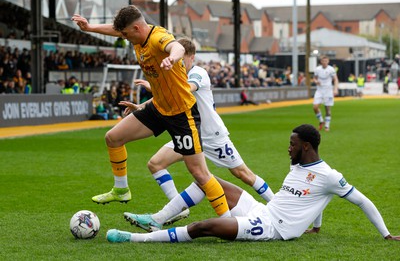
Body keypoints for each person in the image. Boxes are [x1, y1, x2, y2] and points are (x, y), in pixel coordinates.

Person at [106, 124, 400, 243]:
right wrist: (317, 225)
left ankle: (134, 239)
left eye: (292, 144)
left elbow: (362, 201)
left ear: (307, 146)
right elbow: (313, 199)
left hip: (272, 229)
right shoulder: (298, 165)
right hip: (261, 209)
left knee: (202, 228)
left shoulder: (330, 176)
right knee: (208, 180)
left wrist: (387, 235)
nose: (288, 148)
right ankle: (158, 220)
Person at [71, 5, 231, 218]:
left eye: (127, 34)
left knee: (199, 173)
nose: (125, 38)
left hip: (182, 113)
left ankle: (227, 220)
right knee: (113, 137)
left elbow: (177, 47)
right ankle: (121, 190)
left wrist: (172, 58)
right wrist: (89, 27)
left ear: (137, 28)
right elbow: (116, 29)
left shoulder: (158, 38)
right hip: (159, 108)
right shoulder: (136, 35)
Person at [119, 38, 274, 228]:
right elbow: (165, 99)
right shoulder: (176, 76)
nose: (178, 64)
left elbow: (186, 90)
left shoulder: (199, 73)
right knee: (156, 164)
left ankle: (276, 208)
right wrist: (140, 107)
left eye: (181, 60)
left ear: (192, 57)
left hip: (212, 136)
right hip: (190, 133)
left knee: (243, 174)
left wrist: (156, 88)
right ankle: (176, 209)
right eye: (176, 60)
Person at [312, 55, 339, 132]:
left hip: (328, 91)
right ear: (321, 62)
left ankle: (327, 126)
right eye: (323, 61)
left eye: (326, 61)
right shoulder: (317, 69)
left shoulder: (331, 69)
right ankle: (321, 120)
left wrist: (335, 89)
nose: (324, 62)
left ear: (328, 61)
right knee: (315, 107)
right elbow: (314, 78)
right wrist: (316, 81)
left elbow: (335, 79)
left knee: (327, 109)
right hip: (319, 90)